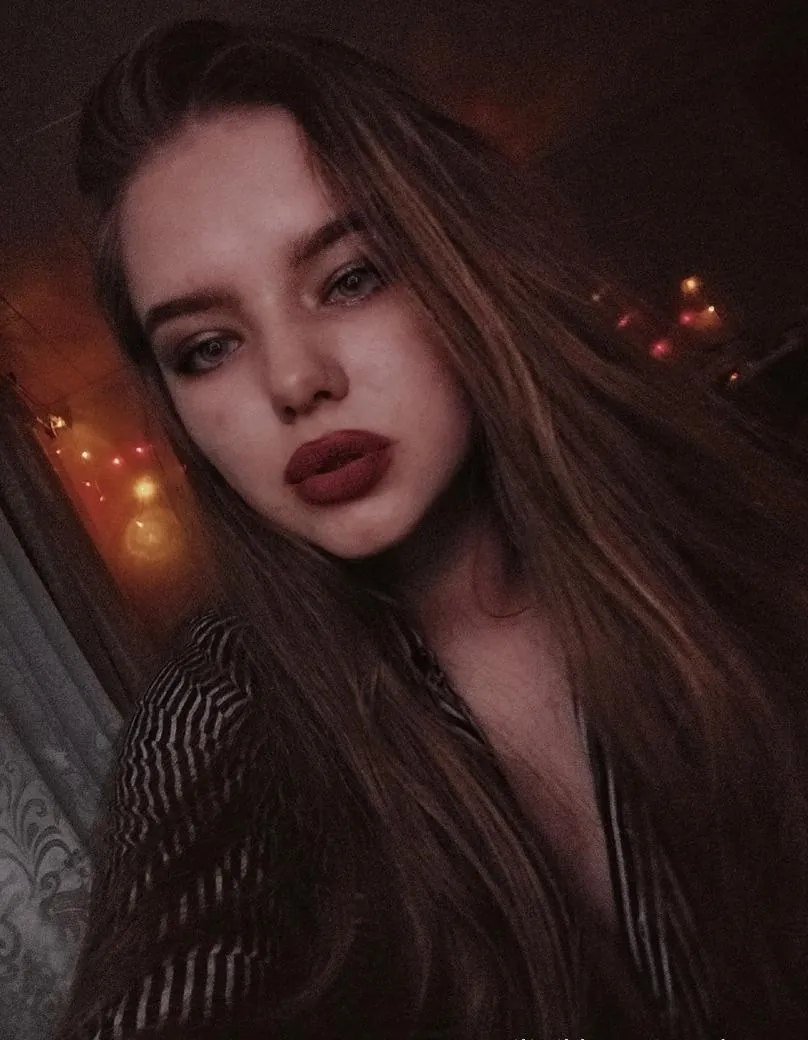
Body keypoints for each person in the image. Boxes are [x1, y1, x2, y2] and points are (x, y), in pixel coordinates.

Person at [57, 18, 808, 1040]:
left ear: (458, 267)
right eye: (207, 347)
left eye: (351, 278)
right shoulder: (221, 715)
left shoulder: (734, 536)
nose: (294, 379)